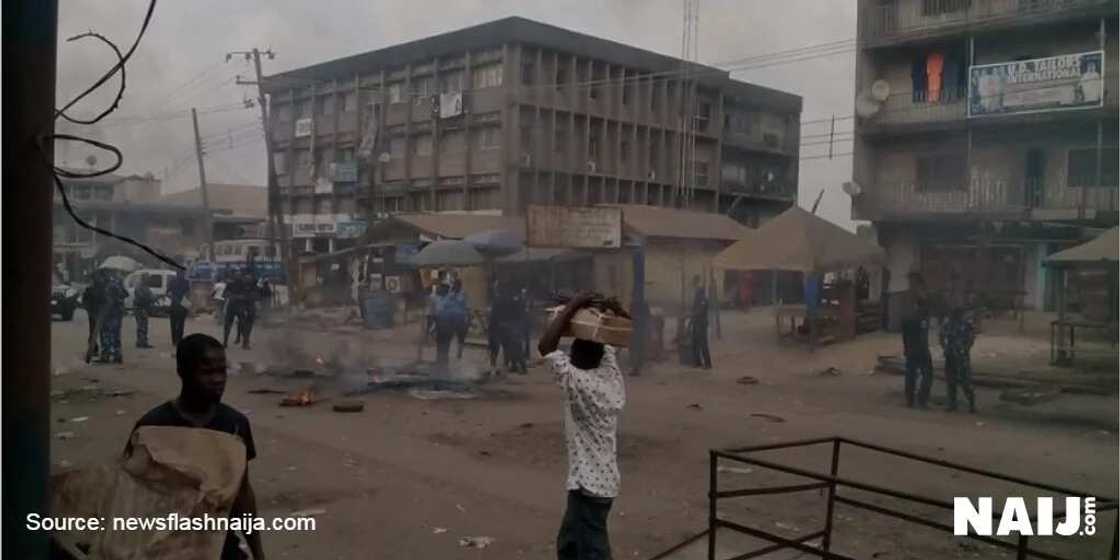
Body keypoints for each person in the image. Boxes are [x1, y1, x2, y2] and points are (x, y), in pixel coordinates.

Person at [124, 334, 265, 560]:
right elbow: (132, 497)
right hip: (165, 547)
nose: (218, 379)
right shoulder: (153, 427)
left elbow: (242, 494)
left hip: (220, 547)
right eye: (207, 372)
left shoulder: (234, 424)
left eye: (222, 371)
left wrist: (258, 553)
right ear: (183, 372)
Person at [538, 294, 625, 560]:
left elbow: (546, 346)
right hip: (599, 482)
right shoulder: (610, 376)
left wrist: (576, 304)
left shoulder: (579, 384)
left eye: (572, 352)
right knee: (570, 546)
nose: (569, 354)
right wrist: (603, 308)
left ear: (579, 360)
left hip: (589, 486)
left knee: (592, 551)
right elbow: (607, 341)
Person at [902, 271, 934, 409]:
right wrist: (923, 348)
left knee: (910, 374)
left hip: (910, 348)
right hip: (920, 348)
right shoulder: (923, 315)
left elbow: (904, 332)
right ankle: (922, 400)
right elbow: (922, 333)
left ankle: (909, 400)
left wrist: (906, 347)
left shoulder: (908, 315)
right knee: (927, 373)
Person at [940, 307, 977, 413]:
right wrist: (945, 347)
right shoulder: (948, 324)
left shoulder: (966, 325)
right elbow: (941, 336)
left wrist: (965, 348)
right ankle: (952, 404)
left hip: (961, 357)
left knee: (965, 382)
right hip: (951, 356)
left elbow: (971, 338)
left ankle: (971, 404)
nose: (955, 316)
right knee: (951, 381)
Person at [98, 271, 128, 364]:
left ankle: (106, 355)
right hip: (117, 313)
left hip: (109, 313)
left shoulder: (109, 286)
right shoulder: (117, 284)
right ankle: (117, 355)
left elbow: (105, 299)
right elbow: (125, 294)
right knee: (116, 335)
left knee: (106, 334)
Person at [82, 270, 105, 363]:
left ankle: (94, 351)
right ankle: (93, 351)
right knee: (94, 333)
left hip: (98, 313)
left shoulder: (101, 289)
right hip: (94, 313)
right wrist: (89, 310)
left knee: (95, 333)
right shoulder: (91, 289)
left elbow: (85, 301)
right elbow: (85, 301)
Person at [446, 279, 471, 360]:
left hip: (461, 318)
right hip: (451, 318)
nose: (456, 287)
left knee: (461, 337)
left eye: (457, 285)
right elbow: (447, 305)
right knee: (449, 335)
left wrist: (468, 318)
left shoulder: (464, 294)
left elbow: (467, 306)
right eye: (455, 285)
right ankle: (447, 352)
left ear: (460, 286)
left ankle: (459, 353)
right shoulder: (450, 294)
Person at [690, 276, 711, 370]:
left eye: (698, 291)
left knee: (703, 344)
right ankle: (697, 362)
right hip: (695, 323)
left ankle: (708, 364)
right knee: (695, 343)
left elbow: (700, 311)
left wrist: (691, 314)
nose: (696, 292)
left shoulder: (704, 299)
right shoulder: (696, 298)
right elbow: (694, 309)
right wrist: (691, 320)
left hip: (701, 324)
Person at [433, 283, 454, 371]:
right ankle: (439, 362)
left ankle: (444, 364)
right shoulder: (438, 299)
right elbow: (436, 313)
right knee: (439, 344)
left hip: (447, 325)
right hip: (439, 324)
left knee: (445, 345)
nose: (438, 290)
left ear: (445, 290)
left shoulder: (450, 299)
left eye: (440, 288)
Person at [168, 269, 191, 347]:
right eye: (181, 273)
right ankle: (177, 340)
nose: (182, 274)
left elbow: (168, 292)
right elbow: (188, 294)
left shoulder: (174, 281)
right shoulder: (185, 282)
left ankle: (176, 340)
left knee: (176, 323)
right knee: (178, 323)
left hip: (177, 304)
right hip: (179, 305)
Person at [133, 275, 155, 349]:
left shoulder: (145, 287)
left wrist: (154, 298)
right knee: (141, 326)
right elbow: (142, 298)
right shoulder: (139, 287)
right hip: (140, 308)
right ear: (143, 279)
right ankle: (141, 342)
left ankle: (142, 342)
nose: (148, 280)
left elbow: (151, 296)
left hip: (144, 308)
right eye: (147, 279)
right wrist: (151, 298)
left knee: (144, 326)